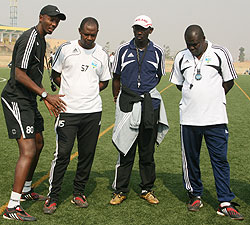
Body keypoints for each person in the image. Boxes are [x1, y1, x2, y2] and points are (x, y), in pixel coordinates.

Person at [169, 25, 244, 220]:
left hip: (215, 118)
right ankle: (195, 195)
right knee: (191, 160)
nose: (192, 48)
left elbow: (229, 82)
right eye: (188, 45)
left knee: (220, 160)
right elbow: (179, 83)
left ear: (203, 39)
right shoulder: (181, 57)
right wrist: (194, 98)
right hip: (189, 119)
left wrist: (212, 98)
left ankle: (225, 202)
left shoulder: (220, 53)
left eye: (195, 44)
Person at [1, 5, 66, 221]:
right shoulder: (30, 38)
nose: (54, 24)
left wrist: (42, 96)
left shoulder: (41, 40)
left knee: (38, 143)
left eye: (57, 21)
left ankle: (27, 189)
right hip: (15, 99)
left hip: (29, 100)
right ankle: (12, 207)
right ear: (41, 17)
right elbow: (18, 74)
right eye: (51, 20)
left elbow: (33, 74)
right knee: (28, 149)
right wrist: (46, 95)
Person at [43, 17, 112, 214]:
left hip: (92, 112)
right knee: (62, 154)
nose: (89, 38)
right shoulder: (66, 49)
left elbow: (104, 81)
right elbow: (55, 74)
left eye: (93, 34)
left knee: (86, 155)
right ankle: (53, 196)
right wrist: (70, 90)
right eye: (86, 34)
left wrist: (88, 91)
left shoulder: (101, 54)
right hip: (68, 111)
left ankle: (79, 193)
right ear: (79, 31)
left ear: (97, 33)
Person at [110, 15, 169, 205]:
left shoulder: (158, 51)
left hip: (149, 105)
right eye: (136, 28)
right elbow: (116, 77)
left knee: (147, 150)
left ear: (150, 30)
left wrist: (145, 90)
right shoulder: (122, 50)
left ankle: (146, 189)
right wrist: (117, 97)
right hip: (126, 102)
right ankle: (120, 190)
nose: (139, 32)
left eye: (143, 29)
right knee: (125, 149)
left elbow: (158, 76)